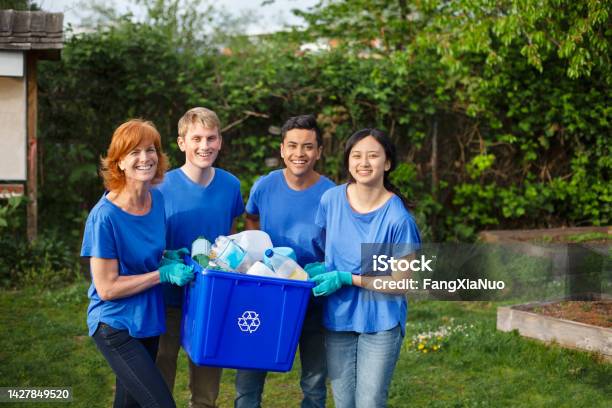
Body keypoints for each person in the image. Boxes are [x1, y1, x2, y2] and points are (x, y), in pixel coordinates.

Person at [82, 119, 195, 408]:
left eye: (150, 150)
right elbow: (107, 288)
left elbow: (145, 256)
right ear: (119, 162)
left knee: (129, 404)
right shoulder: (104, 217)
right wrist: (162, 274)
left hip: (148, 319)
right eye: (134, 152)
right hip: (115, 324)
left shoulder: (155, 200)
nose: (145, 158)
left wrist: (166, 258)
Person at [311, 128, 421, 408]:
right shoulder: (331, 201)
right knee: (344, 401)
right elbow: (323, 246)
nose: (364, 162)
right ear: (348, 162)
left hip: (381, 321)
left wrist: (348, 277)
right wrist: (322, 267)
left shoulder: (398, 220)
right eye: (356, 155)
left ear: (387, 163)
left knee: (369, 402)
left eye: (373, 156)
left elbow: (400, 283)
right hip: (338, 316)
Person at [235, 114, 335, 408]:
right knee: (248, 379)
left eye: (307, 147)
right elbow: (251, 218)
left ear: (318, 151)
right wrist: (257, 259)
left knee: (314, 382)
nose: (299, 154)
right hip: (264, 295)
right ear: (282, 149)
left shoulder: (331, 194)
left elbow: (338, 241)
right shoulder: (264, 186)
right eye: (292, 146)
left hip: (312, 297)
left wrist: (324, 268)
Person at [155, 107, 245, 408]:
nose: (204, 146)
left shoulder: (231, 186)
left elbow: (228, 236)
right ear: (182, 143)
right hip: (166, 296)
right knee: (160, 371)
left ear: (220, 141)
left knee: (207, 385)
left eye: (211, 138)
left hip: (210, 297)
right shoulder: (160, 187)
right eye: (196, 138)